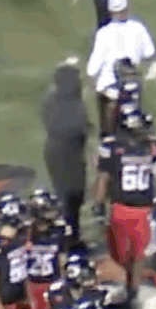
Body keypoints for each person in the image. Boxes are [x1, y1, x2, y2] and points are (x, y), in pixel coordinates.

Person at [86, 0, 156, 133]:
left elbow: (92, 69)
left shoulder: (104, 33)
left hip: (108, 90)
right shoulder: (138, 28)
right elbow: (149, 52)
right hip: (131, 86)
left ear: (110, 11)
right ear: (126, 8)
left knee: (109, 135)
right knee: (134, 129)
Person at [40, 65, 90, 234]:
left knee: (73, 198)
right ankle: (67, 236)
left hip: (62, 153)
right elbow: (71, 129)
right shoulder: (66, 103)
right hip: (65, 154)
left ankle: (71, 232)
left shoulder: (55, 100)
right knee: (68, 198)